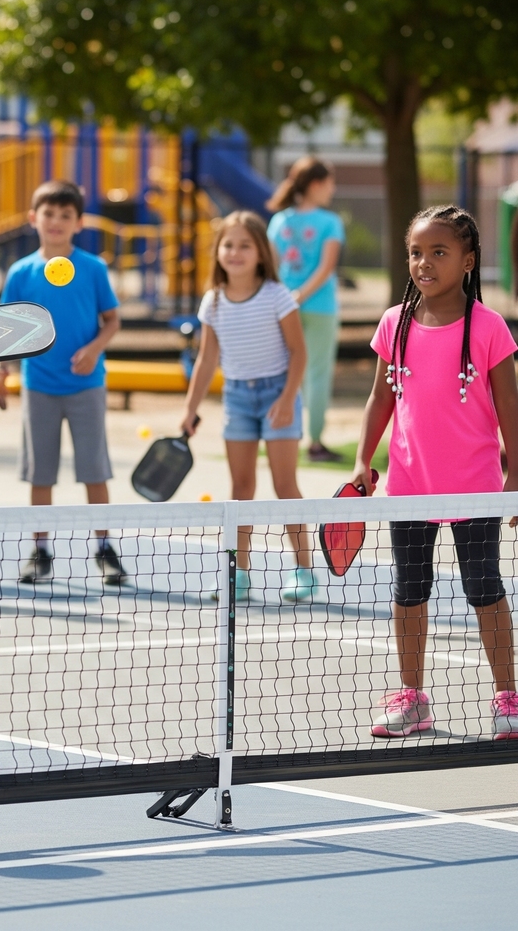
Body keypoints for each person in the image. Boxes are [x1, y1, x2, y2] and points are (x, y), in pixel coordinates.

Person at [352, 205, 518, 740]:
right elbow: (381, 396)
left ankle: (508, 698)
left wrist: (514, 478)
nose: (424, 262)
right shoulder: (393, 323)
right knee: (409, 590)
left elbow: (510, 407)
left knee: (484, 587)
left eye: (439, 252)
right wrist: (363, 460)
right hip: (409, 486)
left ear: (468, 261)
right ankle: (412, 697)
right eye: (416, 253)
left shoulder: (490, 328)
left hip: (475, 487)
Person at [0, 179, 126, 586]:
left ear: (79, 223)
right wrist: (1, 369)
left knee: (94, 471)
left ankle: (104, 549)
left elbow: (112, 321)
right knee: (40, 475)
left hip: (86, 386)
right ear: (34, 218)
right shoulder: (21, 272)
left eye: (65, 215)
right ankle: (41, 551)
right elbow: (7, 329)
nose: (56, 221)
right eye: (48, 213)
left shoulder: (93, 268)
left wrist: (94, 349)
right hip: (39, 386)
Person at [181, 210, 317, 601]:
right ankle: (238, 575)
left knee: (284, 484)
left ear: (261, 253)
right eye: (228, 245)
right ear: (218, 252)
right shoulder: (214, 301)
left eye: (245, 245)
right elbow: (207, 360)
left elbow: (299, 352)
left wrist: (288, 399)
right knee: (240, 488)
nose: (235, 252)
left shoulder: (277, 296)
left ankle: (304, 570)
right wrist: (190, 408)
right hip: (237, 398)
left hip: (279, 395)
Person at [266, 157, 345, 462]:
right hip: (321, 307)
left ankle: (282, 436)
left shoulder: (279, 221)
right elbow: (326, 268)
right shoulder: (331, 222)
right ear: (316, 184)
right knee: (317, 373)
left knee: (287, 373)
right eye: (330, 182)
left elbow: (272, 266)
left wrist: (288, 299)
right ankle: (314, 443)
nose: (332, 189)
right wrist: (300, 296)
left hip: (285, 308)